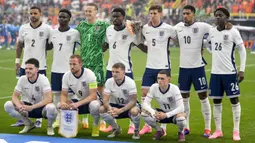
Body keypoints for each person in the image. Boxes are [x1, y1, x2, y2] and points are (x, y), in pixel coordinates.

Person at [207, 8, 246, 141]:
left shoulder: (233, 32)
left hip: (229, 73)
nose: (218, 17)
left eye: (221, 15)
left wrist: (242, 69)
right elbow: (207, 44)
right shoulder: (212, 31)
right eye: (216, 15)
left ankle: (236, 131)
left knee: (234, 101)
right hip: (215, 73)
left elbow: (242, 50)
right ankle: (218, 130)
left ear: (227, 17)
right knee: (216, 101)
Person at [139, 5, 177, 135]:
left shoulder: (169, 29)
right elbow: (142, 43)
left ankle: (164, 127)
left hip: (163, 67)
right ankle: (148, 125)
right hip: (149, 66)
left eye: (155, 13)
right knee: (144, 94)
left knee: (163, 97)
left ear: (161, 14)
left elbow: (179, 41)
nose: (153, 16)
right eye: (151, 13)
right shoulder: (145, 29)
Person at [174, 5, 211, 137]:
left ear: (193, 14)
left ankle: (207, 128)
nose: (185, 16)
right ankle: (186, 127)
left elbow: (216, 32)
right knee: (184, 99)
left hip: (198, 68)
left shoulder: (202, 26)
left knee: (203, 97)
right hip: (183, 69)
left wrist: (205, 44)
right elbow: (168, 34)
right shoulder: (178, 27)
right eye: (183, 13)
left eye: (188, 13)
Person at [13, 6, 52, 127]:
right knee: (24, 92)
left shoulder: (47, 29)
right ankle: (24, 118)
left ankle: (39, 118)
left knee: (40, 93)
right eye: (31, 13)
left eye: (35, 13)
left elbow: (50, 46)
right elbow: (19, 45)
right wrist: (17, 62)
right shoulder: (23, 28)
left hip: (40, 66)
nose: (33, 15)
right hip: (25, 66)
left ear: (40, 14)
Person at [102, 7, 139, 134]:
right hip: (110, 69)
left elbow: (140, 44)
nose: (115, 19)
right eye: (113, 16)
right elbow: (104, 47)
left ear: (123, 17)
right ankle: (114, 125)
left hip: (126, 69)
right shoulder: (108, 30)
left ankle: (132, 125)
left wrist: (138, 31)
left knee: (130, 98)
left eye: (118, 16)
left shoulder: (130, 31)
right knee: (110, 98)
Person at [76, 2, 109, 131]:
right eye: (86, 11)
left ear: (96, 12)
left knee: (100, 91)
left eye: (90, 11)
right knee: (84, 90)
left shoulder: (103, 25)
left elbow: (113, 34)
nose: (88, 13)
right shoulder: (81, 26)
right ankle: (84, 119)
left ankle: (102, 121)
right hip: (84, 63)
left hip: (97, 63)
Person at [4, 58, 58, 136]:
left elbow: (49, 99)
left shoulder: (43, 79)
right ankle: (28, 124)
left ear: (37, 69)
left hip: (41, 108)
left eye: (30, 68)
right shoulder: (22, 79)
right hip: (26, 108)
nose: (27, 71)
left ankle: (49, 126)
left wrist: (32, 107)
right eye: (26, 68)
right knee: (8, 105)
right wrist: (19, 106)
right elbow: (14, 96)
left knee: (52, 108)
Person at [48, 9, 80, 128]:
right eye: (60, 17)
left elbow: (84, 47)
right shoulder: (53, 33)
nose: (62, 19)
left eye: (64, 17)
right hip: (55, 69)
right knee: (56, 96)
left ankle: (72, 118)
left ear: (69, 19)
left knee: (72, 96)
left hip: (69, 71)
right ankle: (58, 118)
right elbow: (48, 46)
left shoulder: (75, 33)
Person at [59, 54, 101, 137]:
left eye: (74, 64)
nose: (72, 66)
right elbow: (64, 94)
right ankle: (75, 124)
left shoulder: (90, 74)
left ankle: (96, 126)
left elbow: (93, 96)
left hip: (90, 101)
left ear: (81, 64)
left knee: (95, 105)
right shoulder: (66, 76)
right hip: (78, 99)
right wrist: (63, 102)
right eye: (70, 64)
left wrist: (77, 104)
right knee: (59, 105)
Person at [142, 69, 186, 141]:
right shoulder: (154, 87)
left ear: (169, 79)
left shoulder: (174, 89)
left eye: (162, 78)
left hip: (173, 114)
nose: (159, 80)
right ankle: (159, 130)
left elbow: (181, 107)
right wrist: (153, 112)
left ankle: (181, 132)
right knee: (144, 113)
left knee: (181, 117)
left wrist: (166, 115)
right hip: (161, 113)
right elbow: (145, 103)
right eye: (158, 78)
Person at [99, 63, 141, 139]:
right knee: (101, 109)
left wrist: (121, 110)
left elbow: (133, 101)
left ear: (124, 72)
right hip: (115, 105)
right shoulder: (109, 81)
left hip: (128, 106)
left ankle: (136, 130)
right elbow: (105, 99)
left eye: (117, 72)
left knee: (134, 111)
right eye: (113, 72)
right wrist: (110, 109)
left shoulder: (130, 82)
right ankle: (116, 128)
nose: (114, 74)